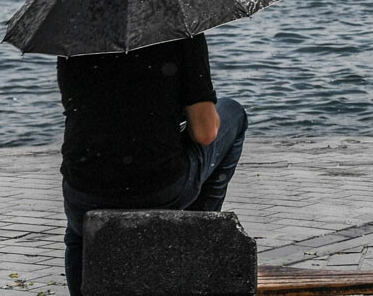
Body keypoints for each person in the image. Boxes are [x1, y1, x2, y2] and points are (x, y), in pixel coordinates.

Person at [56, 33, 247, 296]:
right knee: (234, 113)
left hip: (86, 190)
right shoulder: (180, 34)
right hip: (160, 187)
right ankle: (197, 231)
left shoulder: (75, 35)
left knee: (79, 227)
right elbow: (205, 133)